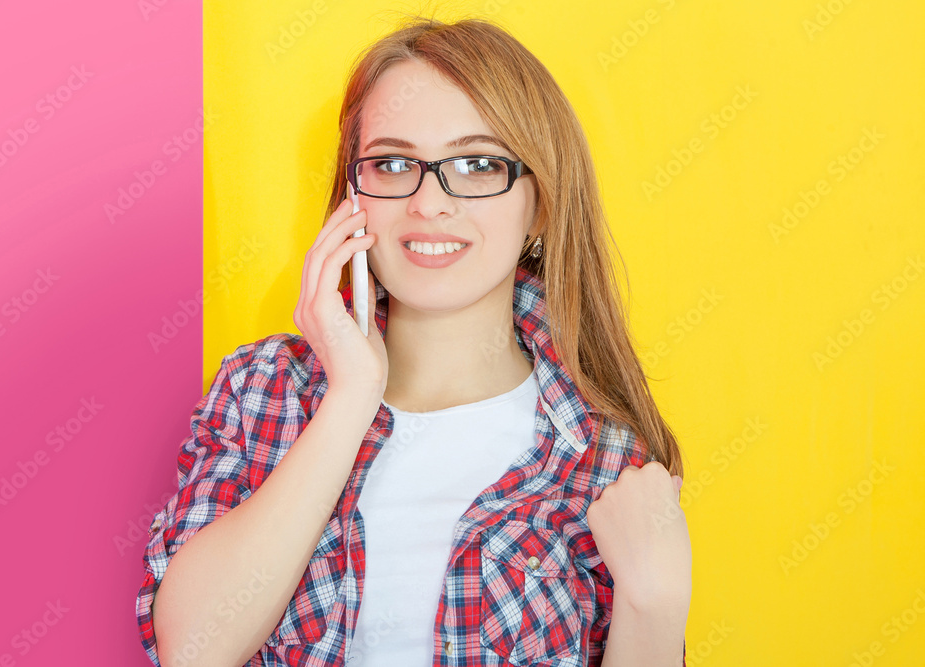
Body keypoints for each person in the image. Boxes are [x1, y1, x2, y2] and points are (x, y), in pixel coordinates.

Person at [136, 15, 690, 667]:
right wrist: (351, 396)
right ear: (352, 196)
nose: (429, 202)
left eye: (478, 164)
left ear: (539, 204)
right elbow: (192, 650)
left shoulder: (605, 454)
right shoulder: (262, 394)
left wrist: (653, 601)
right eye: (395, 163)